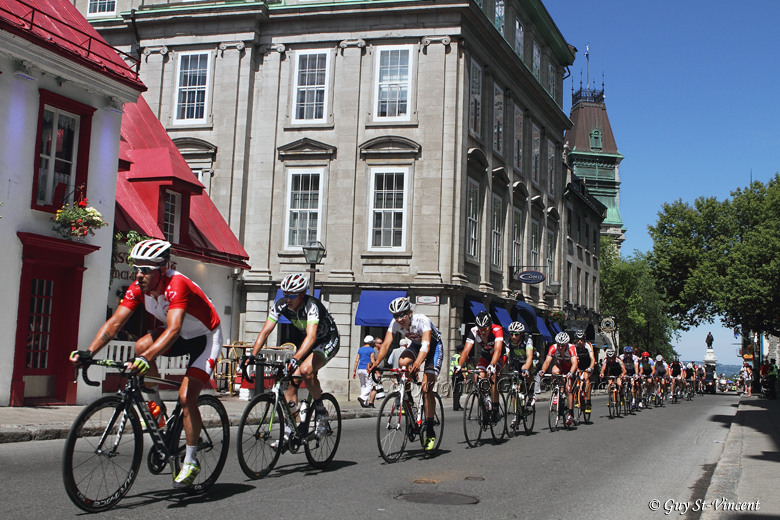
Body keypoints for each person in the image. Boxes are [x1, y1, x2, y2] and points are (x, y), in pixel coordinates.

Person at [69, 239, 223, 488]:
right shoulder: (138, 288)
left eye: (146, 269)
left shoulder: (177, 285)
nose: (139, 274)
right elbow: (115, 324)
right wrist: (88, 352)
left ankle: (192, 460)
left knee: (186, 398)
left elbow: (172, 330)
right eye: (137, 269)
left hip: (205, 338)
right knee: (140, 345)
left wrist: (144, 360)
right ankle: (157, 407)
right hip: (181, 335)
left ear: (161, 269)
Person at [243, 272, 340, 447]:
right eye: (285, 294)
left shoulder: (312, 305)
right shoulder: (281, 305)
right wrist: (252, 355)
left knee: (305, 370)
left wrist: (295, 358)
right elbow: (265, 331)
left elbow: (311, 338)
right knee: (290, 380)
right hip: (310, 342)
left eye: (292, 295)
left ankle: (320, 410)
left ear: (302, 294)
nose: (287, 298)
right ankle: (292, 428)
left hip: (326, 340)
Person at [370, 297, 443, 451]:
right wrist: (377, 363)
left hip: (433, 348)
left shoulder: (422, 320)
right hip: (416, 346)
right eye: (395, 315)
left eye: (402, 314)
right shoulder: (395, 323)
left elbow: (426, 345)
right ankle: (408, 398)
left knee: (426, 388)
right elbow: (386, 343)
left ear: (409, 312)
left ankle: (429, 430)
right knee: (402, 363)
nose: (399, 319)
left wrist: (417, 364)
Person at [454, 311, 506, 424]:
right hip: (486, 354)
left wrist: (492, 365)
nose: (483, 332)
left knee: (492, 375)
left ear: (490, 326)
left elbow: (498, 350)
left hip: (500, 355)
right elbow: (466, 351)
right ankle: (486, 400)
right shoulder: (474, 331)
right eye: (480, 329)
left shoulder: (497, 330)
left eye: (485, 329)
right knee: (478, 376)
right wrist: (459, 365)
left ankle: (496, 409)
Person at [538, 332, 579, 427]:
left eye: (562, 345)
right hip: (561, 365)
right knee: (554, 371)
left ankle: (571, 414)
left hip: (570, 368)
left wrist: (571, 373)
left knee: (568, 389)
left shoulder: (571, 348)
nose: (560, 347)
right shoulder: (553, 347)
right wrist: (543, 371)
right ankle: (556, 391)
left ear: (566, 344)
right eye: (559, 345)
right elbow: (547, 361)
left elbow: (574, 363)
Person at [507, 321, 535, 414]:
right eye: (511, 334)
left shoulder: (527, 340)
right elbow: (506, 355)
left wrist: (526, 369)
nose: (514, 336)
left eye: (516, 334)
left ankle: (531, 393)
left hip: (530, 361)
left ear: (521, 334)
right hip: (517, 362)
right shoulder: (509, 341)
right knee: (515, 388)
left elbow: (530, 356)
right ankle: (517, 413)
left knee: (525, 368)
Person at [573, 331, 596, 413]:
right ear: (575, 340)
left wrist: (590, 368)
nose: (580, 342)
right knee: (573, 379)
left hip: (587, 366)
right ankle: (576, 396)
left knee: (586, 378)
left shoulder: (588, 346)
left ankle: (588, 402)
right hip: (577, 366)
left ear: (584, 340)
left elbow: (593, 359)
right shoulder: (573, 346)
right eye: (578, 340)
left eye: (582, 340)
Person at [353, 335, 376, 407]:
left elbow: (357, 360)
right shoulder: (371, 350)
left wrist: (354, 370)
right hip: (367, 369)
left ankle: (364, 403)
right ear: (371, 342)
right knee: (369, 386)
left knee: (363, 385)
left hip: (360, 368)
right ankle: (362, 397)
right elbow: (372, 360)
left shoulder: (360, 349)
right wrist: (374, 365)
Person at [450, 343, 465, 411]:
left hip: (453, 375)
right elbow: (462, 368)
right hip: (459, 376)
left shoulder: (454, 356)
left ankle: (456, 405)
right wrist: (465, 377)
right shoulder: (460, 357)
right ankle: (456, 406)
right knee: (458, 392)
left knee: (455, 391)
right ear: (461, 351)